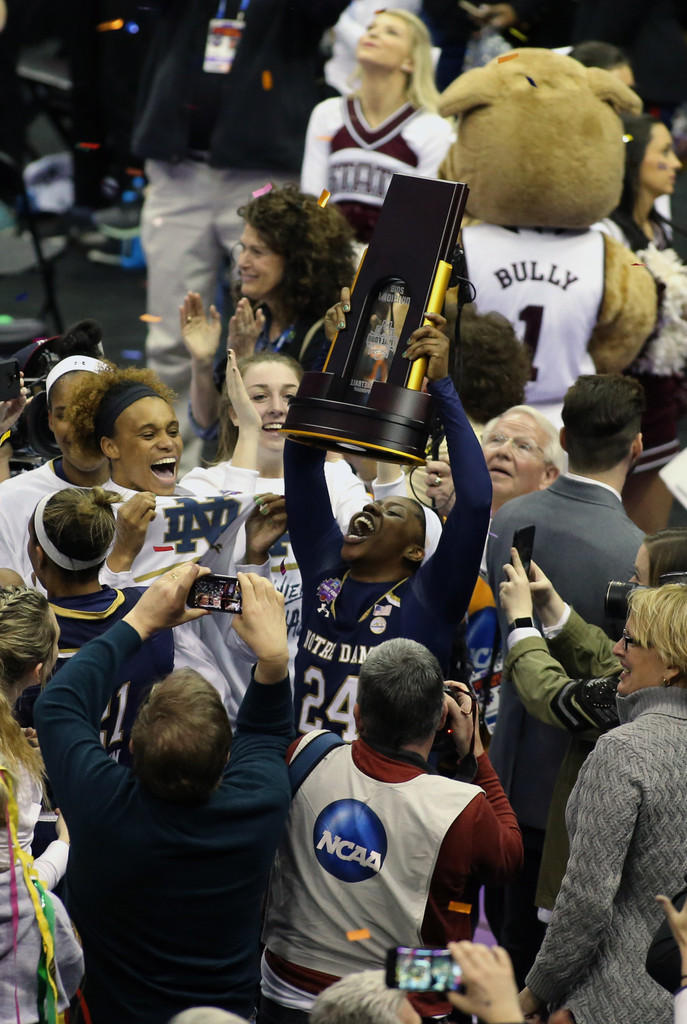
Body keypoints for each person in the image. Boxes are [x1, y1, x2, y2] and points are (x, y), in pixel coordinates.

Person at [34, 565, 295, 1024]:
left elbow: (57, 705)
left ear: (133, 747)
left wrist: (141, 621)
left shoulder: (101, 805)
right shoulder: (259, 806)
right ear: (226, 756)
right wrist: (273, 658)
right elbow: (266, 733)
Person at [133, 0, 350, 467]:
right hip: (177, 169)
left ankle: (278, 463)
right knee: (173, 335)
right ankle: (171, 469)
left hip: (260, 168)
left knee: (280, 315)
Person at [260, 637, 522, 1022]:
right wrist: (475, 753)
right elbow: (510, 859)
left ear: (357, 715)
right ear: (441, 720)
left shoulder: (306, 753)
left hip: (286, 987)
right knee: (459, 969)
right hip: (404, 1001)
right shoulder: (461, 807)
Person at [485, 373, 645, 986]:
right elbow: (612, 669)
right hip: (575, 809)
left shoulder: (510, 517)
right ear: (636, 447)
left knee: (492, 956)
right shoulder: (636, 552)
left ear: (566, 441)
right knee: (540, 975)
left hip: (497, 777)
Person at [286, 308, 492, 739]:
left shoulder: (430, 599)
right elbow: (301, 456)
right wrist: (335, 355)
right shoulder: (327, 571)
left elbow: (474, 502)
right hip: (305, 773)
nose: (373, 509)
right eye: (375, 506)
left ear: (416, 552)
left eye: (393, 511)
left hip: (389, 779)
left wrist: (442, 385)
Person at [519, 583, 687, 1024]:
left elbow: (585, 902)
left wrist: (534, 994)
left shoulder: (623, 751)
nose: (616, 649)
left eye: (630, 640)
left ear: (671, 663)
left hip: (605, 1005)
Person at [499, 526, 687, 913]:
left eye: (639, 581)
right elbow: (609, 658)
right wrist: (551, 605)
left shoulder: (637, 710)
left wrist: (520, 623)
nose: (626, 587)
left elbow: (554, 696)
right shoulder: (667, 678)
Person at [66, 362, 260, 718]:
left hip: (211, 706)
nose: (167, 442)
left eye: (173, 430)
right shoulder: (83, 517)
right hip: (132, 716)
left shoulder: (192, 504)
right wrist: (121, 556)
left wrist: (254, 557)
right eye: (148, 434)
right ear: (110, 446)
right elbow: (84, 630)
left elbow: (230, 619)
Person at [181, 185, 356, 438]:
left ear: (298, 261)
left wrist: (244, 364)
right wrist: (201, 361)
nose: (242, 262)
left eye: (257, 252)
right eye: (243, 248)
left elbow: (281, 436)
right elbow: (210, 425)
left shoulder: (325, 335)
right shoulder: (256, 319)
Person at [16, 486, 174, 765]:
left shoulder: (23, 634)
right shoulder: (150, 610)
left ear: (39, 557)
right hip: (126, 783)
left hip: (53, 790)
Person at [593, 111, 685, 532]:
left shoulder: (659, 230)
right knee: (619, 532)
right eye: (664, 152)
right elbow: (635, 275)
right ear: (633, 161)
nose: (676, 163)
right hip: (622, 396)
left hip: (661, 398)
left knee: (651, 538)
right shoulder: (609, 232)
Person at [0, 584, 83, 1020]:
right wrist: (64, 846)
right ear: (38, 671)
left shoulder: (12, 756)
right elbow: (16, 892)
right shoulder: (13, 780)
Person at [300, 9, 454, 244]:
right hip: (331, 253)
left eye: (391, 32)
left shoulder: (433, 129)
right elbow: (316, 198)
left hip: (393, 258)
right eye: (370, 28)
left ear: (411, 61)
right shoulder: (328, 113)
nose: (372, 34)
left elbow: (422, 218)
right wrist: (324, 241)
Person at [0, 321, 111, 581]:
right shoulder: (11, 500)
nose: (80, 427)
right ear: (48, 417)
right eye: (64, 414)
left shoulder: (148, 489)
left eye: (90, 411)